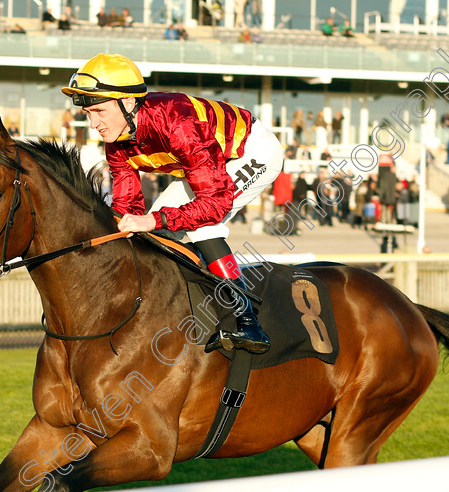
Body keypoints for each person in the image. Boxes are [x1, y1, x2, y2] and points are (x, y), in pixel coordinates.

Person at [61, 53, 283, 354]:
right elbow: (128, 205)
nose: (93, 123)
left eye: (99, 111)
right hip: (208, 169)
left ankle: (246, 320)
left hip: (250, 152)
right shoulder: (116, 140)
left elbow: (214, 203)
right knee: (154, 235)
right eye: (88, 113)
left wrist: (153, 220)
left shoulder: (177, 123)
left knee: (202, 225)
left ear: (127, 103)